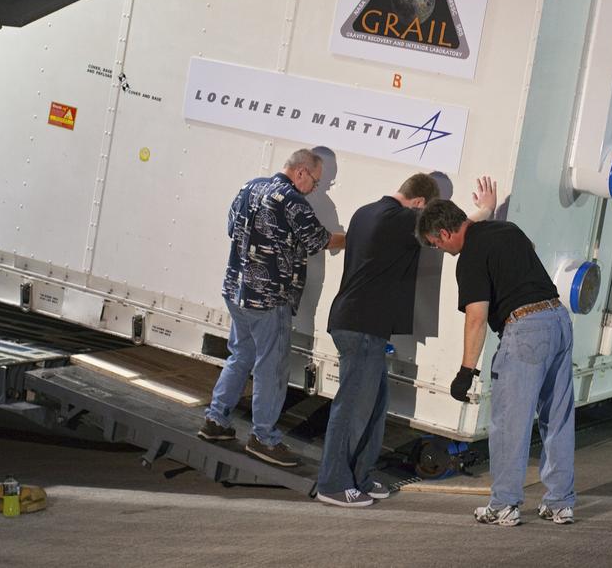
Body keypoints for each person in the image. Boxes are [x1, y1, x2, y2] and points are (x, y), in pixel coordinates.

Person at [316, 174, 497, 508]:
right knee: (353, 408)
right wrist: (484, 211)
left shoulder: (365, 212)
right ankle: (333, 482)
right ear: (419, 204)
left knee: (373, 407)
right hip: (362, 326)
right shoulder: (397, 219)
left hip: (360, 324)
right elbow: (449, 231)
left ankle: (361, 477)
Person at [417, 196, 575, 527]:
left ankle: (504, 504)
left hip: (525, 331)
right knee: (557, 417)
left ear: (445, 233)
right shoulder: (508, 229)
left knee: (509, 423)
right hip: (558, 320)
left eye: (435, 244)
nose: (440, 251)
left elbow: (476, 317)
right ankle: (559, 502)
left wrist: (465, 371)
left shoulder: (469, 257)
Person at [198, 149, 346, 467]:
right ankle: (263, 438)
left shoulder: (248, 187)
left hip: (236, 292)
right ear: (301, 172)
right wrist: (352, 237)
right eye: (318, 182)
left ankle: (215, 421)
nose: (318, 189)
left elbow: (230, 228)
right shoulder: (292, 201)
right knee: (271, 368)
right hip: (268, 300)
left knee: (240, 356)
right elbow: (318, 241)